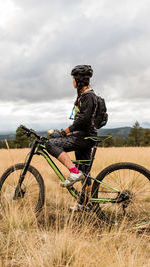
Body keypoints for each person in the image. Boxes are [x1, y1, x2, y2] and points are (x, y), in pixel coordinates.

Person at [46, 65, 98, 202]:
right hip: (86, 136)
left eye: (73, 79)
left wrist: (64, 132)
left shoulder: (88, 96)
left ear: (78, 80)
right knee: (85, 172)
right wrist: (68, 134)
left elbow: (82, 121)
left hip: (84, 137)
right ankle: (86, 203)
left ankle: (74, 173)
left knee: (50, 144)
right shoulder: (86, 96)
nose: (72, 82)